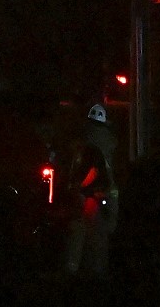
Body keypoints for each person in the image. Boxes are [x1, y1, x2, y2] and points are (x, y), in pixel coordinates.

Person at [61, 103, 118, 278]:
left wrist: (75, 189)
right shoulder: (109, 142)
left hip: (82, 194)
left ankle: (72, 268)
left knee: (78, 232)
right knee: (101, 234)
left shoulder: (80, 142)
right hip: (101, 194)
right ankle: (98, 271)